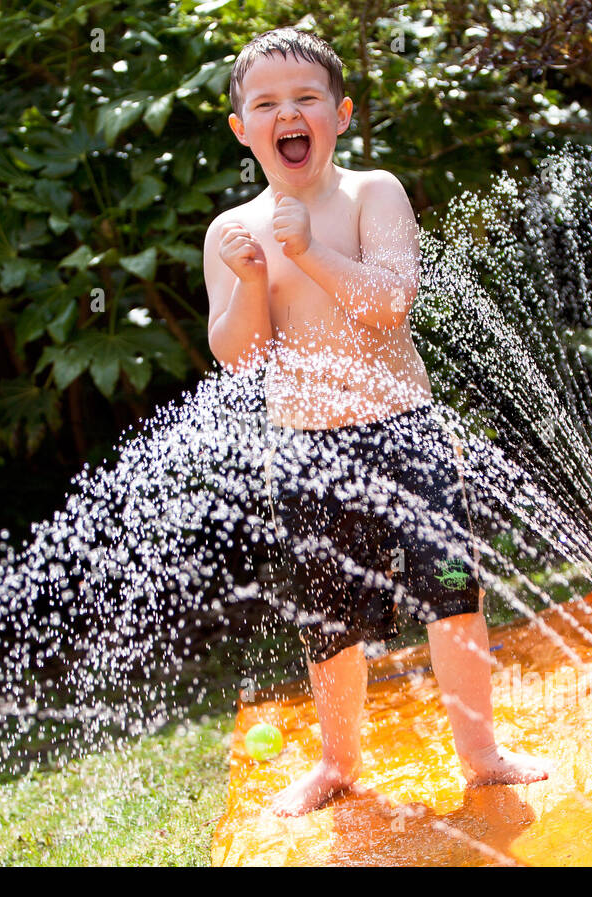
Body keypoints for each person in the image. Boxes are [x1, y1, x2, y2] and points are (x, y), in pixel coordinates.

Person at [201, 27, 552, 816]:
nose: (287, 113)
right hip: (304, 450)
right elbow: (240, 358)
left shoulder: (372, 194)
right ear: (241, 129)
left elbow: (390, 304)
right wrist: (252, 278)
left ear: (341, 114)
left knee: (452, 589)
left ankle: (482, 751)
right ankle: (336, 763)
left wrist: (311, 253)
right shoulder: (233, 233)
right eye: (266, 104)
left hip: (403, 429)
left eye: (305, 99)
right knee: (328, 620)